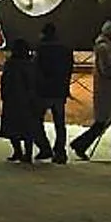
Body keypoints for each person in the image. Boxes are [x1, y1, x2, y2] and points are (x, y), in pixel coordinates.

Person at [71, 21, 111, 161]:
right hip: (109, 90)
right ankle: (81, 144)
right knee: (107, 122)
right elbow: (107, 69)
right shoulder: (104, 48)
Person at [0, 38, 43, 163]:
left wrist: (4, 95)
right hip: (28, 100)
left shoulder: (10, 64)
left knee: (12, 127)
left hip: (12, 99)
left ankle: (17, 151)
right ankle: (28, 154)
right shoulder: (31, 64)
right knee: (28, 128)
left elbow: (5, 82)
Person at [35, 22, 73, 164]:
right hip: (59, 91)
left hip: (43, 91)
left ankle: (44, 147)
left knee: (37, 121)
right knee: (59, 123)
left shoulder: (41, 49)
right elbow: (69, 69)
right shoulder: (65, 49)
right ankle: (60, 152)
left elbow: (37, 70)